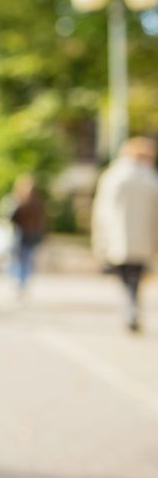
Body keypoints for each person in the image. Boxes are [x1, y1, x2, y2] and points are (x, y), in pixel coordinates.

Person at [91, 137, 158, 333]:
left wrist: (100, 239)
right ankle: (132, 306)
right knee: (136, 275)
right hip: (144, 237)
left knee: (123, 274)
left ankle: (130, 307)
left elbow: (102, 211)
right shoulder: (151, 179)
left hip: (117, 237)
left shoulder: (113, 176)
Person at [8, 174, 47, 296]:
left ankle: (20, 281)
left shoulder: (20, 201)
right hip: (31, 234)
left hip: (23, 234)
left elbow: (13, 217)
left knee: (20, 259)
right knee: (27, 259)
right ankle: (22, 282)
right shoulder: (37, 202)